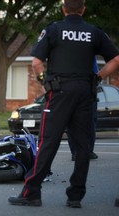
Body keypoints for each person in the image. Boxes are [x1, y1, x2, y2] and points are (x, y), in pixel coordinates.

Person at [8, 0, 119, 208]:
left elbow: (36, 62)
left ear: (64, 9)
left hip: (59, 92)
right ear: (83, 9)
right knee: (83, 145)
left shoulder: (54, 30)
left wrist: (44, 81)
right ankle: (75, 196)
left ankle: (31, 193)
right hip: (85, 93)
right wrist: (97, 77)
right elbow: (115, 59)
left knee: (48, 141)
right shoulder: (94, 32)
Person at [68, 58, 99, 161]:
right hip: (80, 87)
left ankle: (83, 151)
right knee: (79, 122)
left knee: (87, 122)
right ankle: (80, 152)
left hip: (83, 87)